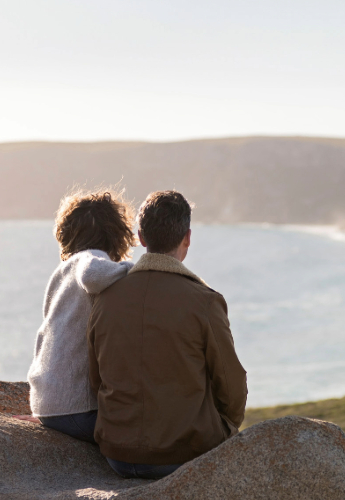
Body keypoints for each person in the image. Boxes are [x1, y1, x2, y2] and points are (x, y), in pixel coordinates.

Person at [87, 190, 248, 479]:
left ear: (140, 237)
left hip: (116, 454)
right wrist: (225, 426)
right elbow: (231, 383)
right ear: (187, 237)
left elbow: (96, 377)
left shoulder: (105, 298)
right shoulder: (205, 301)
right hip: (183, 454)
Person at [19, 189, 137, 444]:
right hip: (79, 411)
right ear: (117, 234)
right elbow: (93, 275)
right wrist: (137, 269)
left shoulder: (61, 274)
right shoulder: (90, 258)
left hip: (49, 407)